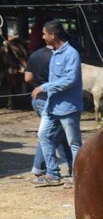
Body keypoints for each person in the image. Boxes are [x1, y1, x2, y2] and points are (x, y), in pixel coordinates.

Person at [30, 20, 83, 188]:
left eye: (44, 34)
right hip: (51, 106)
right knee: (43, 135)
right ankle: (53, 174)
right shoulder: (55, 53)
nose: (43, 37)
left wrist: (43, 87)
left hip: (68, 107)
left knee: (74, 143)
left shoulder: (71, 54)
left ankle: (77, 177)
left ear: (53, 35)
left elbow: (69, 80)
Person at [25, 42, 71, 181]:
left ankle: (70, 165)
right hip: (54, 100)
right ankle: (40, 167)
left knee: (57, 132)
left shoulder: (35, 55)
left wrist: (37, 87)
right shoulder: (64, 56)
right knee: (49, 134)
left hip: (38, 99)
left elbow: (27, 78)